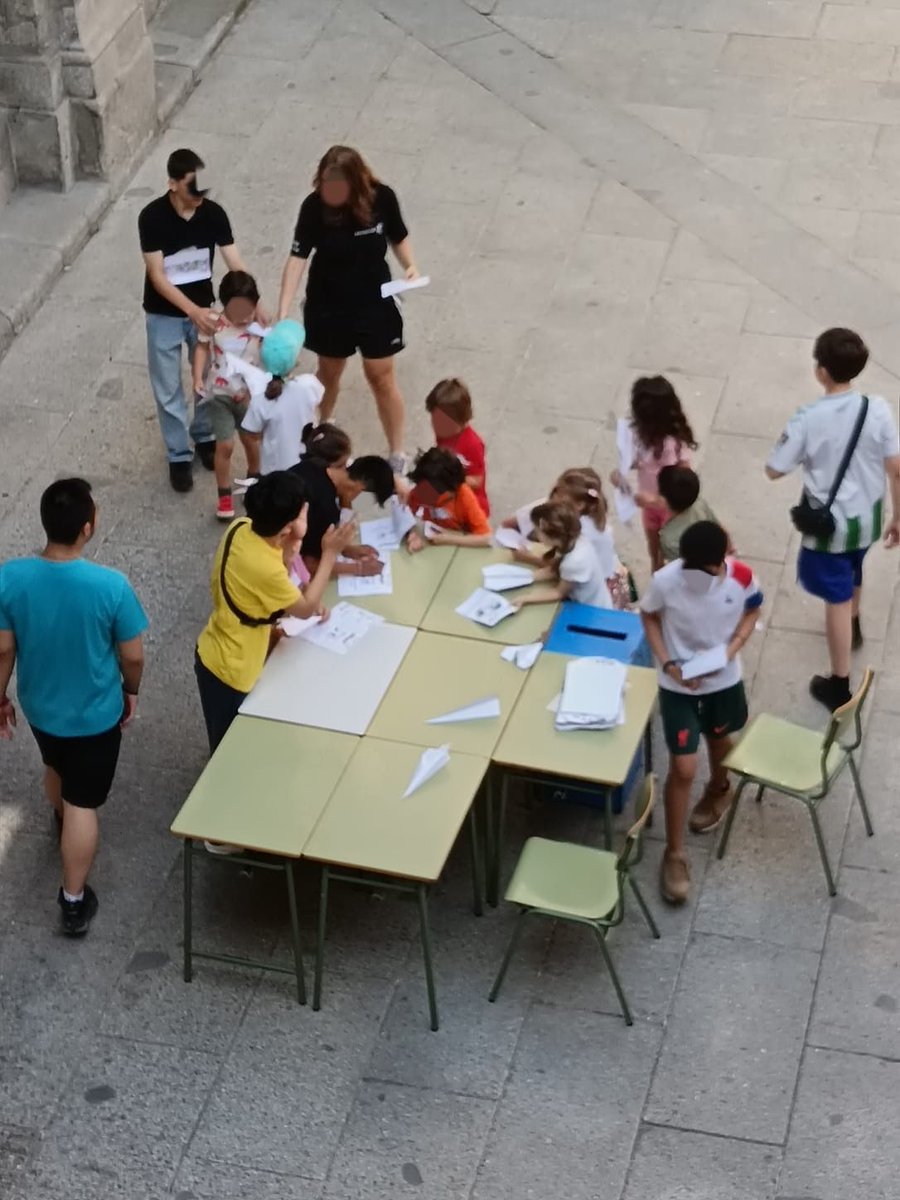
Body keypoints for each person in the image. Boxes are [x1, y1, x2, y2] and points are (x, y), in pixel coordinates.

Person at [0, 479, 147, 937]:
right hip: (94, 714)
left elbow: (4, 650)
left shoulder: (9, 577)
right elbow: (134, 654)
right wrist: (131, 689)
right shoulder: (111, 586)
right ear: (88, 527)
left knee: (55, 763)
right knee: (85, 801)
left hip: (42, 707)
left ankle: (61, 818)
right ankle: (73, 899)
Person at [766, 328, 900, 711]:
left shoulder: (807, 418)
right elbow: (896, 469)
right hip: (869, 518)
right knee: (855, 566)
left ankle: (839, 683)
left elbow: (774, 469)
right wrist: (899, 516)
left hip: (831, 527)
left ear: (821, 371)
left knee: (835, 597)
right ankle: (854, 624)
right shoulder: (877, 408)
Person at [640, 521, 763, 905]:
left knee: (719, 738)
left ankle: (719, 790)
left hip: (722, 681)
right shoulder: (665, 581)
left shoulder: (741, 577)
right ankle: (674, 854)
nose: (699, 578)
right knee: (682, 768)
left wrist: (732, 649)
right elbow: (649, 615)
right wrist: (667, 662)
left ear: (720, 560)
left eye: (707, 571)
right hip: (679, 685)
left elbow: (753, 609)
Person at [276, 145, 421, 471]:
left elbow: (398, 236)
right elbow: (298, 258)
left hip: (375, 301)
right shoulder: (313, 208)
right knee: (329, 372)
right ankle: (320, 430)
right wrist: (283, 309)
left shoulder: (381, 198)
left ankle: (397, 452)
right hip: (329, 303)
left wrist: (410, 265)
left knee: (380, 376)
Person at [195, 471, 356, 753]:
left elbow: (273, 578)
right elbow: (305, 608)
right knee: (230, 749)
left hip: (216, 647)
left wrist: (292, 547)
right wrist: (329, 554)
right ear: (285, 527)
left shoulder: (241, 527)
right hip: (233, 671)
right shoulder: (266, 569)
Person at [139, 148, 248, 493]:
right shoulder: (152, 218)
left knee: (206, 377)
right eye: (192, 189)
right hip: (165, 313)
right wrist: (192, 311)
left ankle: (203, 436)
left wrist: (249, 298)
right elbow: (157, 276)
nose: (199, 196)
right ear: (172, 184)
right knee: (168, 386)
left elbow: (234, 260)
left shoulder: (213, 214)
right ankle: (177, 454)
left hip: (203, 308)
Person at [191, 270, 265, 521]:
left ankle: (254, 482)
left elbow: (274, 353)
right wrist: (197, 377)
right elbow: (201, 347)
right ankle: (224, 495)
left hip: (248, 397)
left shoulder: (259, 326)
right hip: (220, 395)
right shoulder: (214, 323)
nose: (245, 317)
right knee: (224, 445)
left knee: (252, 442)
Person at [611, 375, 697, 572]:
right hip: (650, 505)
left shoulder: (674, 443)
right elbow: (640, 461)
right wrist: (624, 472)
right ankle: (656, 568)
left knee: (672, 548)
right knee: (653, 544)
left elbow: (684, 493)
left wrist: (654, 501)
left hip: (669, 508)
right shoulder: (640, 435)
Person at [288, 423, 395, 576]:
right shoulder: (325, 508)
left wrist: (346, 550)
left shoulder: (315, 465)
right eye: (366, 502)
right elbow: (309, 565)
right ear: (361, 488)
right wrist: (358, 569)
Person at [241, 320, 323, 478]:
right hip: (307, 461)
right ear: (296, 362)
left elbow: (252, 435)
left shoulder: (260, 400)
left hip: (273, 468)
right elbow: (318, 399)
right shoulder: (308, 384)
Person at [512, 501, 612, 610]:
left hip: (590, 611)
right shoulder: (574, 540)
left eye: (537, 531)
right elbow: (556, 570)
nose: (535, 535)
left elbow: (558, 593)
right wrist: (526, 577)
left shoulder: (574, 561)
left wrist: (524, 598)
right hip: (596, 602)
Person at [405, 448, 493, 550]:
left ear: (452, 490)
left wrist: (449, 539)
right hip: (432, 543)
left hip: (461, 545)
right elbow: (408, 515)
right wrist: (413, 534)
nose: (425, 496)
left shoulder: (464, 496)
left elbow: (486, 538)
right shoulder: (423, 490)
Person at [425, 378, 489, 516]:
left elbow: (477, 480)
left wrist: (449, 479)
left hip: (470, 502)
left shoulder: (473, 444)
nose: (436, 426)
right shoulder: (443, 434)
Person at [657, 465, 723, 565]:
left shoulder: (668, 538)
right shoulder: (699, 504)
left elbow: (678, 567)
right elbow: (718, 527)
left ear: (665, 499)